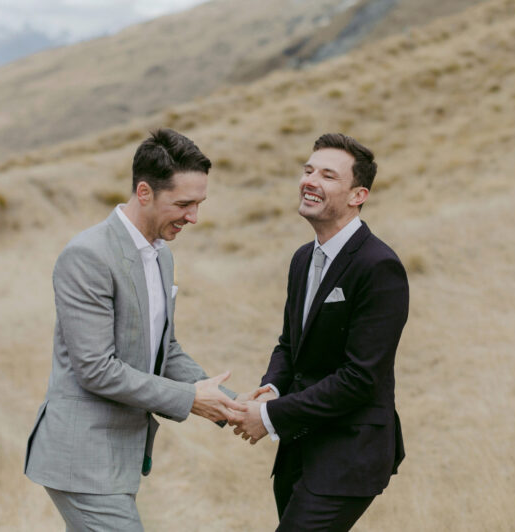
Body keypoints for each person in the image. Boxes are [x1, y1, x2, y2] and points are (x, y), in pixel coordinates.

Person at [24, 128, 245, 531]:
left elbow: (166, 349)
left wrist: (232, 404)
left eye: (199, 203)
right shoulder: (87, 256)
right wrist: (191, 400)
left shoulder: (161, 257)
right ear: (144, 193)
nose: (194, 217)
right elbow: (96, 369)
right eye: (183, 204)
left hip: (119, 456)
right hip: (82, 458)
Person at [232, 133, 409, 531]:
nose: (310, 181)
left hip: (349, 453)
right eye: (308, 170)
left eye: (328, 175)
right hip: (300, 448)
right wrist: (272, 388)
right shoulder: (302, 259)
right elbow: (290, 344)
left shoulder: (379, 266)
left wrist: (270, 416)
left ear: (356, 195)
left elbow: (360, 378)